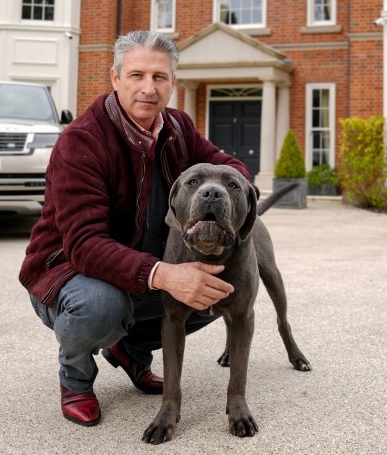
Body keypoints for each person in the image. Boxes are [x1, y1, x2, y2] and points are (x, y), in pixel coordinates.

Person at [19, 30, 250, 426]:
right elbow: (86, 246)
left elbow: (232, 168)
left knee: (213, 287)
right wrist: (165, 274)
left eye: (159, 77)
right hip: (69, 275)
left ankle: (130, 351)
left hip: (140, 270)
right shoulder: (81, 143)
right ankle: (75, 378)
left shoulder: (178, 127)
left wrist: (232, 196)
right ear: (115, 78)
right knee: (103, 305)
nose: (148, 88)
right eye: (136, 75)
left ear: (173, 83)